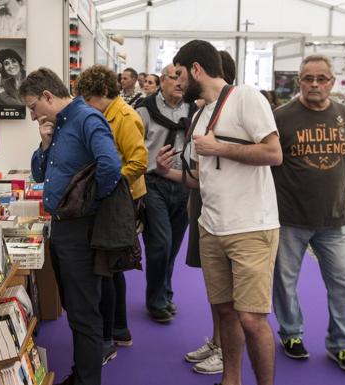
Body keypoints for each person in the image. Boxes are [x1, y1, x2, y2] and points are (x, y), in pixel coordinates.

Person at [157, 40, 282, 385]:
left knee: (252, 319)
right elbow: (200, 177)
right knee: (225, 312)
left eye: (179, 74)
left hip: (251, 227)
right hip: (212, 227)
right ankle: (231, 379)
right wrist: (165, 170)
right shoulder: (200, 115)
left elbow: (274, 153)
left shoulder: (246, 97)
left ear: (196, 69)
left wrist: (219, 148)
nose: (177, 82)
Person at [21, 68, 121, 385]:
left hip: (80, 228)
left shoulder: (87, 119)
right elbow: (39, 174)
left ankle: (87, 380)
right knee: (75, 308)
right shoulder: (58, 125)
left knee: (84, 312)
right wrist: (45, 143)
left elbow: (111, 166)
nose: (33, 114)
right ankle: (81, 374)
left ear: (49, 96)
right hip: (63, 229)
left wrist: (88, 204)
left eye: (33, 106)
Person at [271, 54, 345, 371]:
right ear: (300, 81)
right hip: (289, 219)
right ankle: (291, 334)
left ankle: (343, 345)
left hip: (335, 220)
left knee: (343, 284)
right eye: (308, 78)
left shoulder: (344, 116)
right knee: (284, 283)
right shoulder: (280, 117)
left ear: (332, 81)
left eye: (321, 78)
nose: (314, 84)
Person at [74, 64, 148, 364]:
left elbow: (139, 161)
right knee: (113, 267)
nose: (86, 106)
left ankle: (111, 336)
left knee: (107, 268)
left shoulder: (126, 117)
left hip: (122, 199)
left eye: (90, 99)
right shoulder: (105, 114)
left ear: (104, 92)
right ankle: (119, 329)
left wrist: (110, 185)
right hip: (115, 196)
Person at [183, 49, 237, 376]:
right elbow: (197, 171)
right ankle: (217, 342)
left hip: (229, 214)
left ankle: (225, 349)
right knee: (214, 285)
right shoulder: (200, 114)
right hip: (205, 207)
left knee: (228, 293)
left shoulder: (237, 110)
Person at [135, 64, 195, 323]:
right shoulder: (144, 110)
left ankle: (165, 294)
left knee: (173, 246)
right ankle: (156, 301)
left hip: (184, 184)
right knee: (160, 243)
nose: (180, 83)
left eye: (184, 79)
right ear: (162, 80)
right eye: (175, 78)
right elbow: (134, 149)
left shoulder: (194, 110)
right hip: (154, 183)